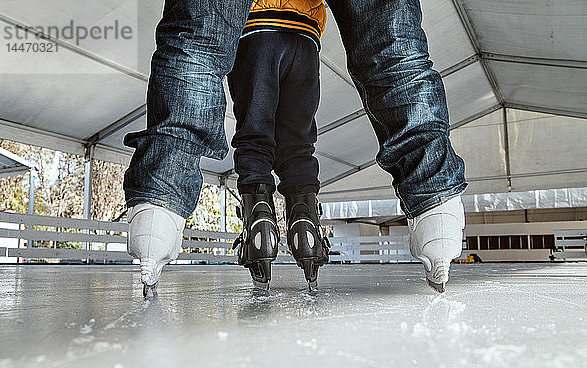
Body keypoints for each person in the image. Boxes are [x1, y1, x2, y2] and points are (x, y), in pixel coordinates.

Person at [124, 0, 466, 296]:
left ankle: (173, 208)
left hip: (255, 31)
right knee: (389, 57)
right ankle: (318, 223)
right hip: (303, 36)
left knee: (202, 57)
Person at [227, 1, 330, 291]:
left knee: (255, 136)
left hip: (256, 26)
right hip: (306, 35)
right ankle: (306, 229)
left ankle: (258, 226)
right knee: (299, 144)